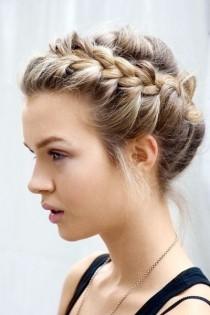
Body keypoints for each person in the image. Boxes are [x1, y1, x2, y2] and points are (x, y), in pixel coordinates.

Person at [20, 25, 210, 315]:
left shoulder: (187, 311)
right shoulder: (83, 281)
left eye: (57, 154)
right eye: (35, 154)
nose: (36, 183)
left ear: (140, 154)